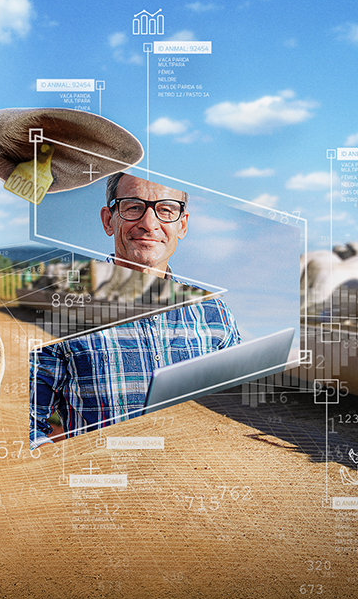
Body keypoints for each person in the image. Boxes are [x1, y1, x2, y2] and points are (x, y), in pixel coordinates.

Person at [29, 172, 241, 447]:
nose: (149, 223)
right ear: (108, 220)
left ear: (183, 225)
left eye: (166, 210)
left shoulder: (215, 313)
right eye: (133, 207)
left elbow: (239, 416)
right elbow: (28, 424)